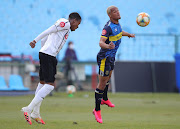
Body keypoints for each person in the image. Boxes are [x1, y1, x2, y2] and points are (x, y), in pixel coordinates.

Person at [21, 12, 81, 125]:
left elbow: (48, 36)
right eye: (78, 24)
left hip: (46, 54)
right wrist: (35, 40)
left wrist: (42, 48)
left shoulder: (63, 25)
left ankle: (36, 113)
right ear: (74, 21)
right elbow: (49, 30)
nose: (77, 27)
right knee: (49, 85)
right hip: (48, 55)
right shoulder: (66, 24)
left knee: (42, 83)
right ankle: (28, 109)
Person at [93, 6, 135, 123]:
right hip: (104, 58)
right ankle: (97, 110)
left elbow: (120, 32)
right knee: (102, 83)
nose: (118, 12)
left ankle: (105, 99)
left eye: (118, 10)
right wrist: (108, 46)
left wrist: (129, 35)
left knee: (108, 78)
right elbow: (101, 42)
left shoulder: (117, 24)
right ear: (110, 15)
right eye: (115, 11)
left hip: (111, 57)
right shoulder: (108, 27)